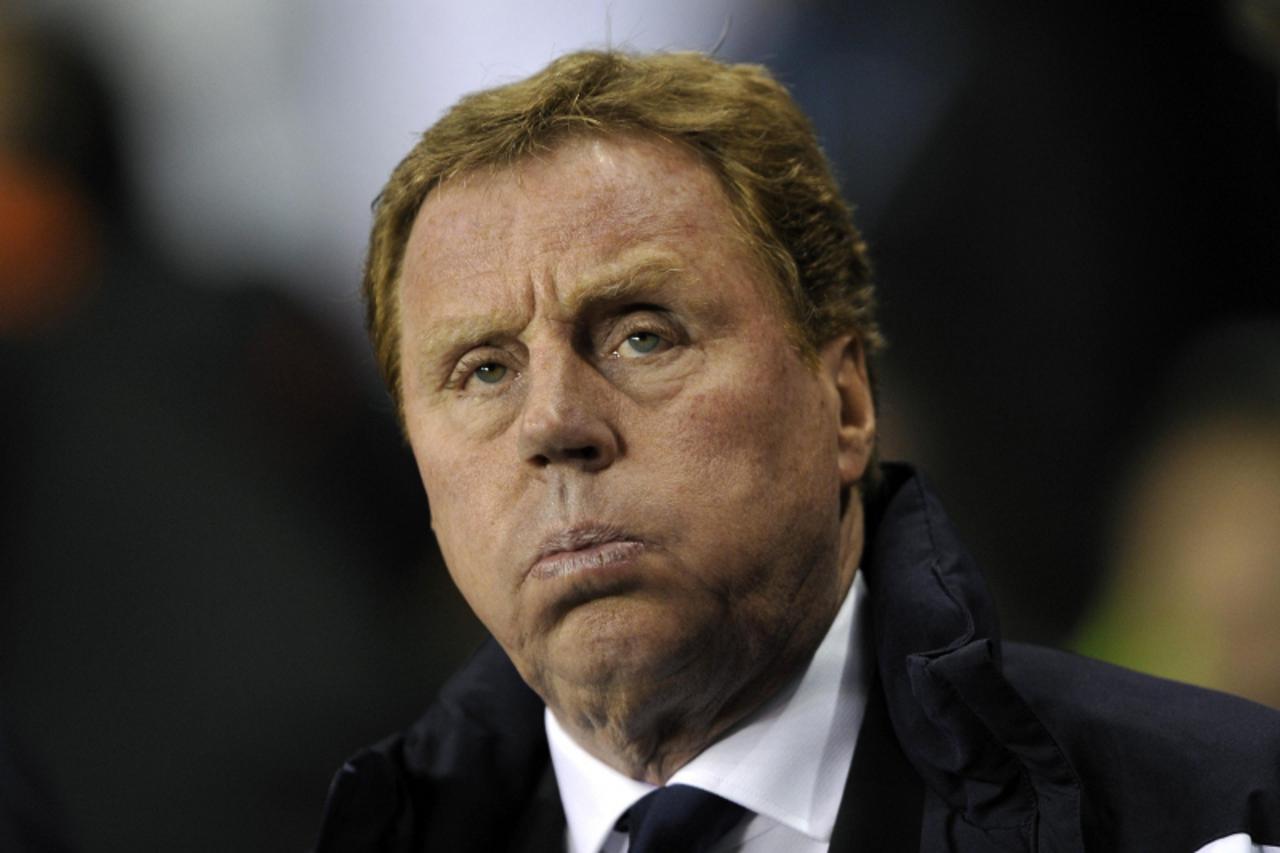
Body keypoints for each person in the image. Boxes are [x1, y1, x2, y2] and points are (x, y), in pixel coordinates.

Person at [314, 50, 1280, 853]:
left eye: (643, 335)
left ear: (846, 400)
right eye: (483, 371)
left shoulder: (1219, 814)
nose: (554, 424)